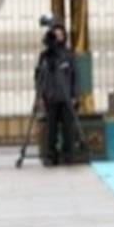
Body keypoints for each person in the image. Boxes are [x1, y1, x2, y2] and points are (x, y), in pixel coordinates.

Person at [34, 22, 77, 165]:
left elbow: (74, 77)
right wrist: (39, 95)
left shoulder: (69, 54)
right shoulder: (45, 56)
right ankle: (51, 155)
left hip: (66, 97)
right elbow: (39, 76)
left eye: (61, 34)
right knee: (51, 128)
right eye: (56, 35)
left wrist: (74, 95)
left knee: (67, 128)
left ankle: (68, 155)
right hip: (50, 96)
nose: (58, 37)